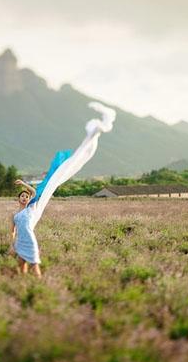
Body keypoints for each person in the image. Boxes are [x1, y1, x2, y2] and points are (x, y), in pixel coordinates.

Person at [8, 102, 116, 277]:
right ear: (18, 200)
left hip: (29, 240)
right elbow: (12, 231)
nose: (24, 198)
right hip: (20, 241)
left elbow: (35, 192)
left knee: (34, 263)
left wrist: (23, 184)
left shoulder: (33, 205)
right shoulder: (16, 215)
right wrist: (11, 245)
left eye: (26, 196)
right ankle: (24, 284)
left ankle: (37, 282)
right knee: (21, 264)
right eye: (22, 197)